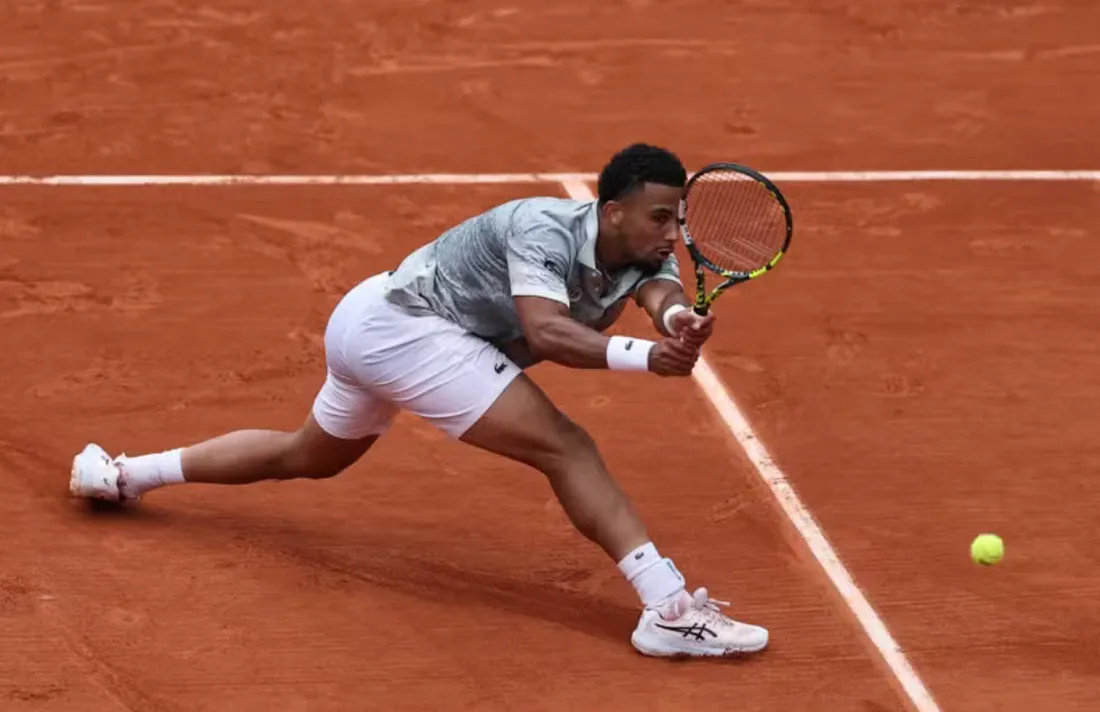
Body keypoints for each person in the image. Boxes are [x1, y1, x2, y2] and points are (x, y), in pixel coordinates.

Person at [69, 143, 769, 658]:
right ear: (611, 211)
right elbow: (546, 331)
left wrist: (678, 323)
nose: (671, 233)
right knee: (567, 446)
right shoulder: (541, 229)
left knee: (307, 455)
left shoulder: (649, 250)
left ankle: (123, 475)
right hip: (402, 327)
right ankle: (667, 607)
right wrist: (649, 358)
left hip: (375, 323)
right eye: (658, 218)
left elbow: (660, 293)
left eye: (676, 219)